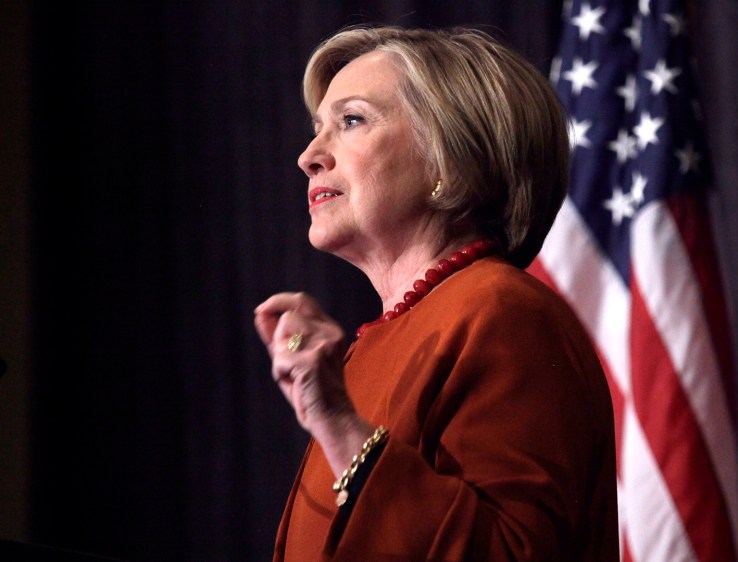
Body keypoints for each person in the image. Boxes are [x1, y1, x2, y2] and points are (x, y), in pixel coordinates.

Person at [253, 26, 619, 562]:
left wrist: (338, 427)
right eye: (317, 129)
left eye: (351, 120)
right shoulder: (367, 351)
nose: (310, 155)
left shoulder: (504, 315)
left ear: (447, 161)